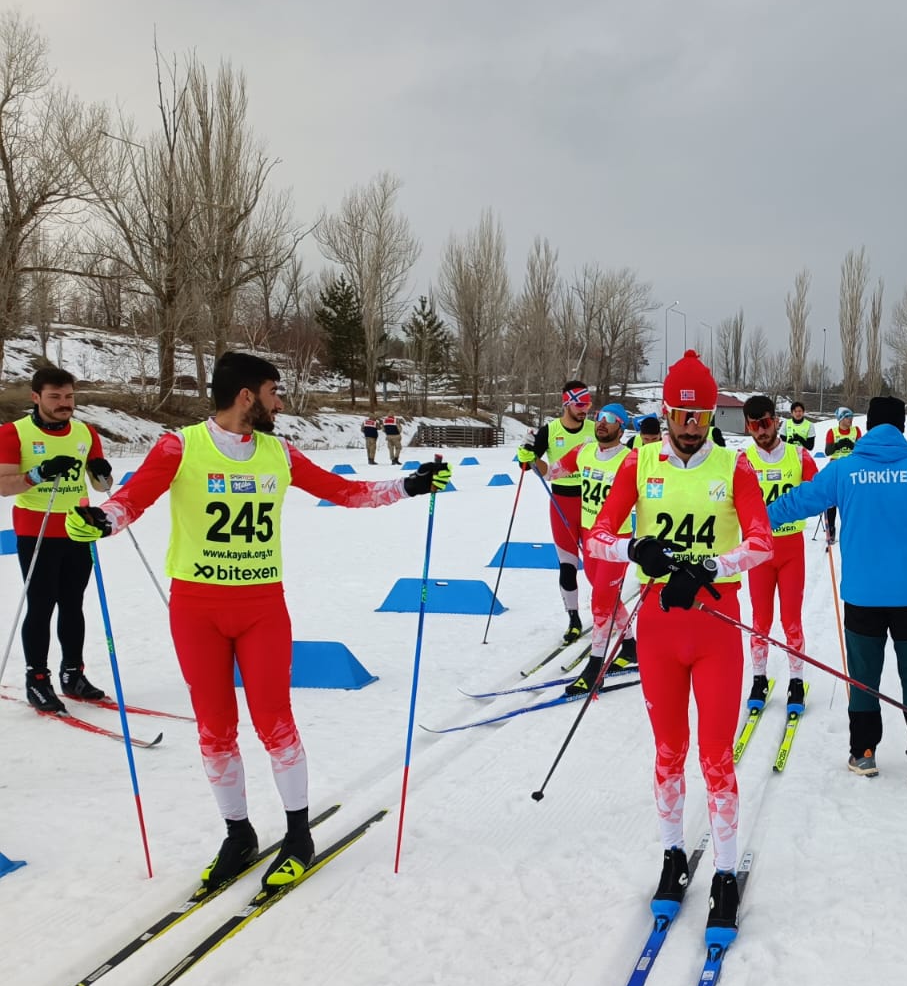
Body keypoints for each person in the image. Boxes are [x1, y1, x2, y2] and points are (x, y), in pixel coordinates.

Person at [66, 352, 450, 889]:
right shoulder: (181, 446)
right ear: (247, 395)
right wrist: (98, 521)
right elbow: (131, 500)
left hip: (260, 607)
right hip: (196, 609)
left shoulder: (279, 453)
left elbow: (346, 492)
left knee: (275, 724)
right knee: (215, 732)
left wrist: (410, 485)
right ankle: (238, 833)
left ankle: (298, 835)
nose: (280, 401)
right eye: (274, 391)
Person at [585, 351, 772, 939]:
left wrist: (710, 566)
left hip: (716, 625)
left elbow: (762, 543)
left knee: (716, 756)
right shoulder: (639, 465)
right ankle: (672, 857)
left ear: (712, 413)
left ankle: (721, 873)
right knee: (668, 751)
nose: (690, 425)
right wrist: (634, 549)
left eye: (700, 416)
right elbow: (596, 538)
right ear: (665, 411)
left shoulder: (734, 465)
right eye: (680, 415)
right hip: (661, 630)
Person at [768, 395, 907, 784]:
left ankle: (863, 753)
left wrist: (757, 515)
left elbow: (799, 501)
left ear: (868, 427)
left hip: (862, 597)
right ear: (902, 428)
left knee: (862, 677)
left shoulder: (844, 470)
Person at [0, 367, 115, 713]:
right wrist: (39, 473)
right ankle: (37, 680)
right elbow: (4, 485)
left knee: (73, 603)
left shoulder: (85, 432)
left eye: (68, 397)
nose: (64, 404)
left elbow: (100, 486)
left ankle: (72, 674)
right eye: (55, 397)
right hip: (36, 530)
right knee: (41, 604)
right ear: (36, 398)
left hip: (75, 529)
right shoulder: (13, 433)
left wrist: (101, 472)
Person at [544, 403, 638, 694]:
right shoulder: (584, 451)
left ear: (621, 428)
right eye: (600, 417)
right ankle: (631, 645)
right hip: (590, 536)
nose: (602, 422)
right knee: (606, 597)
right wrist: (529, 458)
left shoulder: (631, 459)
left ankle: (594, 666)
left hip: (616, 539)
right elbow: (553, 472)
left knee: (600, 601)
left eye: (611, 420)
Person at [738, 394, 818, 711]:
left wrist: (826, 507)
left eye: (766, 422)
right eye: (754, 425)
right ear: (748, 427)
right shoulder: (742, 461)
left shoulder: (799, 456)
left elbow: (817, 493)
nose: (761, 430)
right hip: (759, 552)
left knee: (791, 620)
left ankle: (796, 680)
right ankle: (759, 677)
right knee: (760, 620)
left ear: (776, 420)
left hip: (790, 549)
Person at [516, 381, 595, 642]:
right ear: (566, 403)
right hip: (561, 501)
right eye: (580, 404)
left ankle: (606, 611)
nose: (585, 409)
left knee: (596, 564)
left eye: (588, 404)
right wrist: (526, 455)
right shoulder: (549, 431)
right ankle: (573, 618)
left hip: (591, 503)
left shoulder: (596, 430)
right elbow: (530, 467)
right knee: (568, 564)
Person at [821, 406, 862, 543]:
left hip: (851, 468)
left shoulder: (856, 431)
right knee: (832, 500)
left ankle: (851, 530)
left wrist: (853, 446)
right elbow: (828, 451)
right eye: (847, 417)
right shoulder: (832, 432)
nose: (851, 419)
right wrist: (839, 444)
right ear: (840, 419)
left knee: (850, 500)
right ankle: (831, 529)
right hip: (836, 468)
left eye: (851, 416)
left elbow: (861, 449)